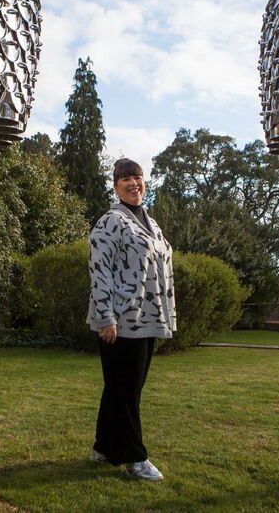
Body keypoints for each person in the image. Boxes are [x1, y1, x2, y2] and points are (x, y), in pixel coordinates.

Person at [86, 158, 176, 481]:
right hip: (121, 322)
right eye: (125, 178)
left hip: (147, 319)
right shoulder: (109, 222)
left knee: (120, 389)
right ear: (116, 186)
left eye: (136, 177)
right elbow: (100, 272)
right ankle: (136, 459)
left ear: (144, 182)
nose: (132, 182)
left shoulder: (151, 222)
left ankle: (103, 447)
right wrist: (106, 317)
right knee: (127, 392)